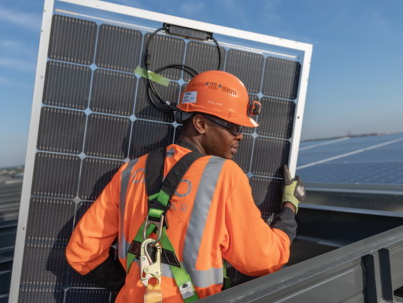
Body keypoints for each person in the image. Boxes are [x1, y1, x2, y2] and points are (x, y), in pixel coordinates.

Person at [66, 70, 305, 302]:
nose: (240, 136)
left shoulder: (129, 172)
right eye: (234, 127)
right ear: (200, 123)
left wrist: (129, 287)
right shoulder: (225, 175)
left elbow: (82, 252)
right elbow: (264, 260)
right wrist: (289, 209)